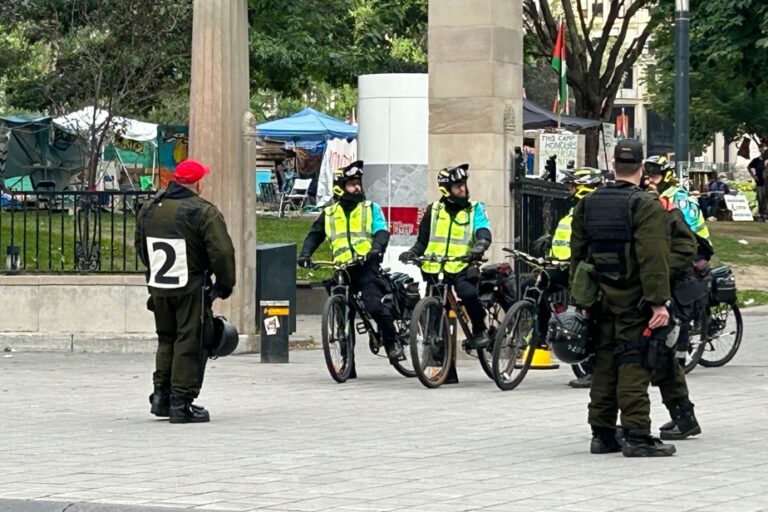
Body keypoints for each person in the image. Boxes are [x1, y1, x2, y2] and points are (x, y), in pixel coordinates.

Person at [570, 140, 677, 457]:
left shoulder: (587, 204)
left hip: (599, 299)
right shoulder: (645, 205)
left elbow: (577, 257)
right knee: (633, 363)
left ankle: (602, 435)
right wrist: (659, 301)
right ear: (642, 168)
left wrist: (582, 302)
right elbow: (653, 257)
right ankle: (637, 435)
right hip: (634, 301)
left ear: (613, 164)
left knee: (604, 364)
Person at [135, 159, 236, 424]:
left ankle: (161, 396)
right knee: (190, 339)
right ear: (197, 183)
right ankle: (181, 403)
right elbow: (222, 251)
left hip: (160, 284)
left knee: (166, 337)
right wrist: (224, 285)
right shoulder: (202, 211)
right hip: (190, 285)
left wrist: (155, 271)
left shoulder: (149, 208)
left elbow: (141, 246)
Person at [297, 161, 401, 361]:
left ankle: (392, 341)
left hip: (365, 266)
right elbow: (314, 236)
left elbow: (381, 231)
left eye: (358, 183)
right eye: (352, 184)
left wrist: (377, 247)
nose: (357, 188)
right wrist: (305, 255)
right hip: (341, 269)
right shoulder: (329, 214)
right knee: (343, 316)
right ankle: (347, 362)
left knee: (374, 305)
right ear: (340, 187)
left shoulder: (370, 208)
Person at [399, 164, 493, 349]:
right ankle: (435, 349)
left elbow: (483, 230)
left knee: (468, 293)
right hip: (435, 267)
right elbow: (422, 242)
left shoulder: (475, 209)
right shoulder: (433, 210)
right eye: (458, 186)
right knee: (430, 306)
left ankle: (480, 328)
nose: (463, 189)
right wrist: (413, 252)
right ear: (446, 189)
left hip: (461, 265)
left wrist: (481, 244)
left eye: (464, 184)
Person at [533, 168, 604, 389]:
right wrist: (548, 242)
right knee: (534, 287)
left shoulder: (591, 210)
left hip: (583, 272)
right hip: (564, 267)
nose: (569, 189)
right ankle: (541, 334)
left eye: (573, 185)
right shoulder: (575, 209)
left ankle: (593, 369)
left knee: (586, 314)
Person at [644, 155, 713, 260]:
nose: (650, 180)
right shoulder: (657, 196)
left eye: (655, 176)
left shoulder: (679, 198)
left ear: (666, 176)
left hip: (697, 249)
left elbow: (688, 231)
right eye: (648, 177)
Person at [748, 146, 767, 219]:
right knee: (760, 198)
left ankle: (765, 213)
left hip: (766, 182)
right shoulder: (756, 160)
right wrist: (753, 176)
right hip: (759, 181)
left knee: (765, 198)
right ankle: (761, 212)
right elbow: (749, 167)